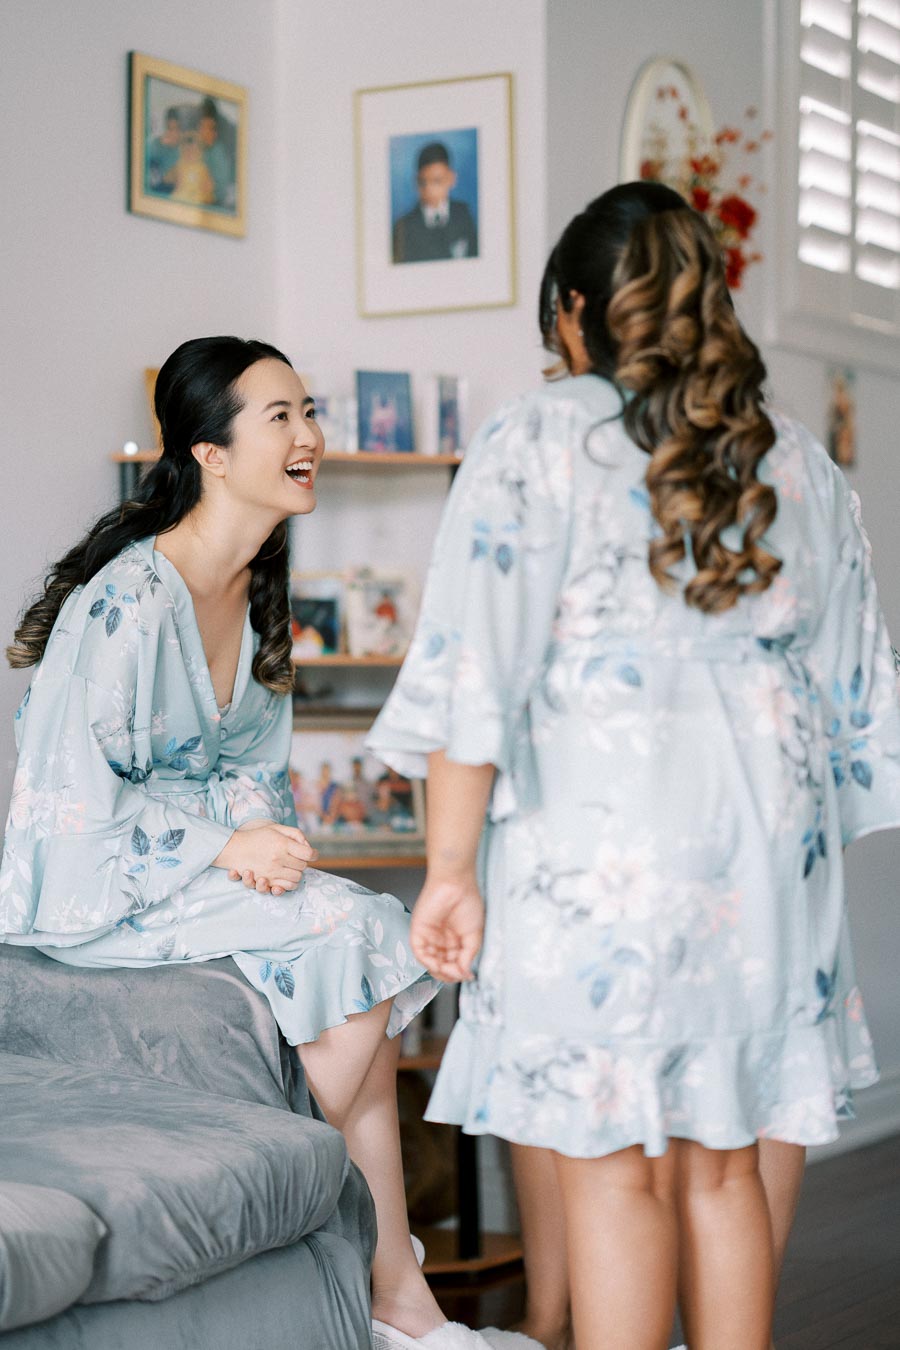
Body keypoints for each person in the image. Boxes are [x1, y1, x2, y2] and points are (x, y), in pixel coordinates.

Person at [368, 182, 900, 1350]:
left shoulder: (541, 435)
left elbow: (475, 680)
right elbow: (859, 706)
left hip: (595, 858)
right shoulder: (796, 462)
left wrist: (449, 869)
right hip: (762, 865)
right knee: (723, 1171)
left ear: (573, 314)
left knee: (615, 1172)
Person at [0, 336, 526, 1350]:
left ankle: (396, 1300)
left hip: (188, 863)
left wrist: (257, 838)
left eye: (307, 413)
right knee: (364, 934)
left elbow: (250, 769)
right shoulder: (129, 598)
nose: (309, 437)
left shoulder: (257, 584)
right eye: (280, 416)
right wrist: (215, 847)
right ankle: (299, 1192)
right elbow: (65, 794)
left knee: (360, 996)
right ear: (210, 451)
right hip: (91, 873)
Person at [392, 142, 478, 265]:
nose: (430, 190)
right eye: (423, 182)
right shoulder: (404, 228)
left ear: (451, 178)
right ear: (416, 182)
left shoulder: (464, 214)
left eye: (437, 181)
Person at [146, 105, 182, 195]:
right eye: (170, 129)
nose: (173, 134)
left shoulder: (186, 149)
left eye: (177, 129)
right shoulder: (156, 145)